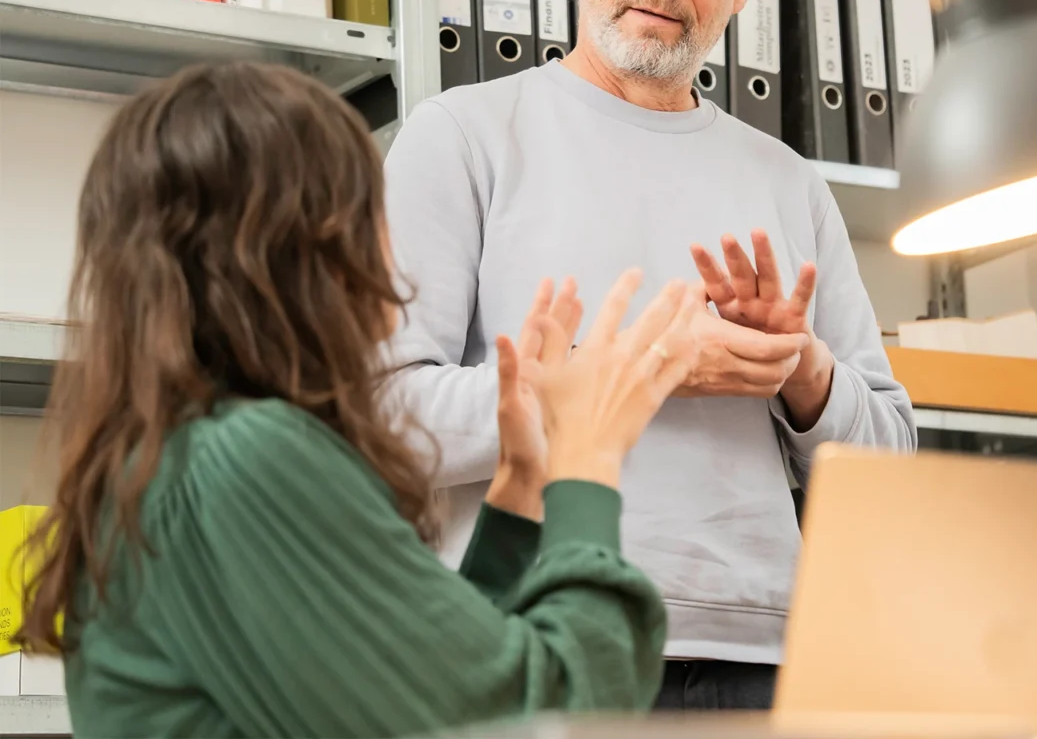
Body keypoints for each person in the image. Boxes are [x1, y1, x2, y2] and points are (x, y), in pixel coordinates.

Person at [384, 0, 916, 711]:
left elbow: (893, 460)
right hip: (533, 640)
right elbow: (387, 418)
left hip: (766, 657)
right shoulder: (461, 137)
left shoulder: (789, 182)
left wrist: (802, 370)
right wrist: (643, 362)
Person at [16, 62, 703, 738]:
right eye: (371, 208)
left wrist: (524, 486)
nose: (390, 252)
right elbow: (543, 716)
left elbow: (418, 683)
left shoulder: (185, 456)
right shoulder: (245, 462)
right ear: (311, 246)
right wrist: (589, 462)